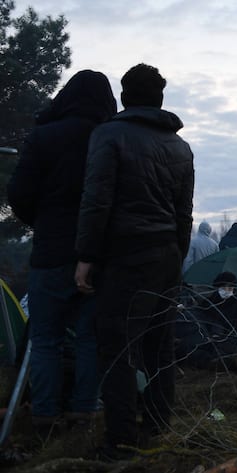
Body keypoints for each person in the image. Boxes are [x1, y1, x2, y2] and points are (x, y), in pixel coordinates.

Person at [74, 64, 194, 460]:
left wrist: (87, 256)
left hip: (126, 256)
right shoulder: (180, 147)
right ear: (159, 98)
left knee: (117, 348)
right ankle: (157, 429)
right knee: (160, 347)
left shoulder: (108, 135)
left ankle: (121, 442)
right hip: (167, 254)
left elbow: (96, 199)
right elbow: (184, 213)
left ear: (125, 97)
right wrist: (177, 255)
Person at [6, 70, 116, 442]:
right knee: (89, 338)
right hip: (97, 255)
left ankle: (44, 416)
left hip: (51, 253)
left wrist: (43, 222)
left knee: (45, 339)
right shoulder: (109, 136)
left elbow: (19, 193)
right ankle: (84, 413)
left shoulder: (44, 136)